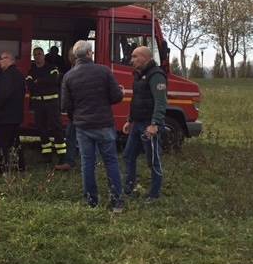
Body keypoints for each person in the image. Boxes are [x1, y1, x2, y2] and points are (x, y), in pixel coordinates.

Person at [61, 40, 124, 212]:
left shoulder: (69, 76)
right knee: (111, 162)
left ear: (76, 56)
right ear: (90, 53)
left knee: (87, 163)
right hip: (104, 123)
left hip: (82, 126)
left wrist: (76, 118)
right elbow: (116, 97)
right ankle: (117, 203)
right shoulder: (104, 71)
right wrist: (121, 92)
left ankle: (91, 202)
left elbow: (65, 105)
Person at [122, 46, 167, 202]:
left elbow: (161, 102)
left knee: (153, 160)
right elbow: (136, 101)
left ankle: (154, 194)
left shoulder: (156, 75)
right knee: (128, 155)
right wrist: (129, 120)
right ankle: (129, 188)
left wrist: (155, 124)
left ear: (146, 58)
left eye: (135, 57)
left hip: (149, 125)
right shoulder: (138, 75)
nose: (131, 60)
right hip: (137, 123)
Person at [26, 47, 67, 167]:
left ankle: (62, 157)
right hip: (39, 104)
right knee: (42, 129)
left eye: (39, 54)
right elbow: (29, 85)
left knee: (56, 129)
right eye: (35, 54)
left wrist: (38, 82)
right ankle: (47, 156)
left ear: (44, 55)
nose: (37, 56)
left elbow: (54, 80)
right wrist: (41, 82)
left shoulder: (52, 67)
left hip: (52, 104)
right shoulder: (31, 71)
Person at [0, 51, 26, 173]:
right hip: (15, 116)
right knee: (15, 142)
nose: (0, 61)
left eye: (2, 58)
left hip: (5, 116)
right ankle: (20, 165)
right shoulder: (19, 75)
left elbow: (4, 95)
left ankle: (2, 167)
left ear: (10, 60)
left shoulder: (6, 75)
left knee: (3, 142)